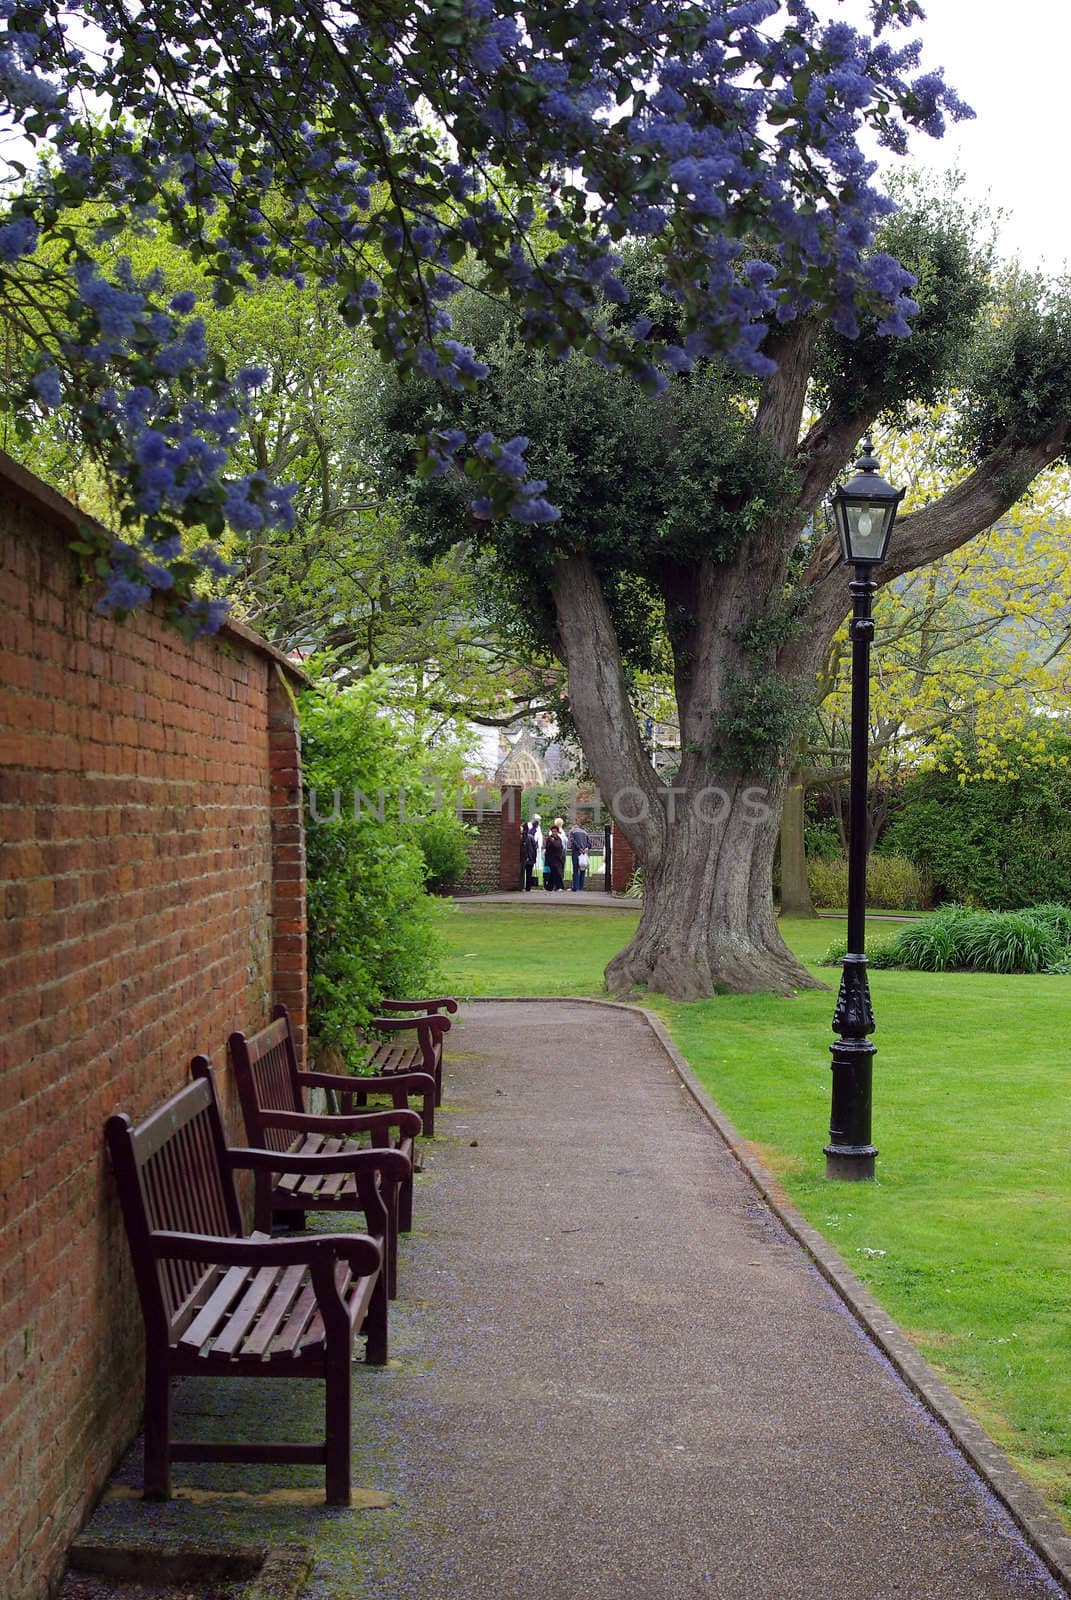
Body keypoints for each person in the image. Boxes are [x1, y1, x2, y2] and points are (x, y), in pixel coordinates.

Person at [567, 820, 592, 891]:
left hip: (576, 852)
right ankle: (581, 887)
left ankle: (575, 887)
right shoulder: (585, 832)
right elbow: (590, 843)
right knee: (582, 869)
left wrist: (579, 848)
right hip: (584, 853)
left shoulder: (572, 831)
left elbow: (572, 841)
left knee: (575, 869)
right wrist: (585, 848)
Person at [544, 821, 566, 891]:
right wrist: (553, 842)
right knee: (557, 872)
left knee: (553, 873)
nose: (554, 833)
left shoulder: (559, 839)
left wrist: (554, 842)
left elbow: (560, 846)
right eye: (553, 831)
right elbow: (549, 847)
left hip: (558, 858)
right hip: (551, 859)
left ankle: (549, 887)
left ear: (557, 832)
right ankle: (560, 886)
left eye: (555, 831)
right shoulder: (549, 839)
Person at [522, 819, 539, 892]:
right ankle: (528, 887)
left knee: (522, 873)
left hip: (525, 858)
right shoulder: (531, 837)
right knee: (528, 873)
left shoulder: (525, 837)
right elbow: (534, 848)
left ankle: (522, 886)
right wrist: (534, 858)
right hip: (530, 858)